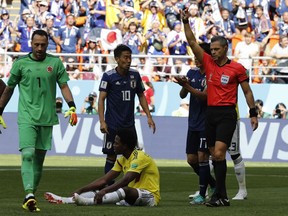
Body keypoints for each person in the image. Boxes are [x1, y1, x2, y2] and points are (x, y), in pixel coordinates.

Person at [181, 9, 258, 207]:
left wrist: (253, 113)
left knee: (218, 154)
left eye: (216, 49)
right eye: (211, 50)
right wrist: (186, 22)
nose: (212, 52)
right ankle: (221, 195)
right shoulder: (208, 63)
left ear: (224, 49)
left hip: (226, 114)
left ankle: (220, 196)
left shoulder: (237, 69)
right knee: (213, 156)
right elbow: (191, 42)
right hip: (210, 114)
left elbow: (247, 92)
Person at [0, 29, 78, 212]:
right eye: (36, 44)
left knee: (39, 160)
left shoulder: (55, 63)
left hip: (47, 118)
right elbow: (9, 89)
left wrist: (72, 105)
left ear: (47, 44)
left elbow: (64, 86)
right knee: (27, 154)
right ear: (31, 43)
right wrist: (0, 110)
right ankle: (29, 193)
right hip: (27, 117)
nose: (40, 48)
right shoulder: (20, 64)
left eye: (43, 44)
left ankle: (29, 198)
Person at [45, 127, 160, 207]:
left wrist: (105, 191)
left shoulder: (139, 157)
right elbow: (104, 179)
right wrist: (81, 190)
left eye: (116, 143)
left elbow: (125, 180)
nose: (113, 145)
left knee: (124, 189)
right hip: (132, 198)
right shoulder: (122, 159)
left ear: (125, 145)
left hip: (149, 197)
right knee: (101, 188)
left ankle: (88, 202)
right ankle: (66, 200)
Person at [98, 44, 156, 183]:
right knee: (111, 156)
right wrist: (102, 121)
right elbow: (101, 99)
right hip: (112, 124)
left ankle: (131, 187)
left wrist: (149, 116)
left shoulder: (135, 75)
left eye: (130, 57)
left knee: (132, 156)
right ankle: (108, 187)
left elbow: (141, 96)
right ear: (117, 59)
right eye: (125, 57)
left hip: (129, 125)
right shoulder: (108, 77)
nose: (128, 60)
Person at [173, 52, 216, 205]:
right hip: (193, 122)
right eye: (195, 58)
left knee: (203, 157)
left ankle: (202, 195)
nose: (196, 60)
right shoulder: (191, 73)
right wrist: (183, 84)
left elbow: (204, 97)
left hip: (206, 122)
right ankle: (214, 184)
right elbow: (183, 95)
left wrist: (186, 85)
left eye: (199, 58)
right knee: (192, 159)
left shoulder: (212, 75)